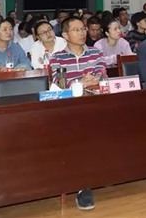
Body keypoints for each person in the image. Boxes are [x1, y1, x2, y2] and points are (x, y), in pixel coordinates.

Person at [47, 16, 106, 211]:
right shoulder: (57, 58)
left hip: (96, 107)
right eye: (76, 30)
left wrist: (80, 82)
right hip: (69, 111)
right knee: (80, 136)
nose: (82, 33)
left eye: (83, 29)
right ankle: (84, 186)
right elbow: (58, 84)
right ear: (65, 35)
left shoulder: (96, 52)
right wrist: (81, 82)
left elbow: (100, 76)